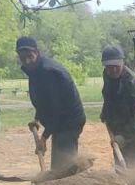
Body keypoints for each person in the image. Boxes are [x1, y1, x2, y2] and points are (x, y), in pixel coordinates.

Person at [16, 35, 86, 172]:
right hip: (59, 122)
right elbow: (43, 102)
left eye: (30, 55)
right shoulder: (35, 70)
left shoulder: (49, 73)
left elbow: (56, 109)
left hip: (69, 121)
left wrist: (43, 138)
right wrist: (36, 119)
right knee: (59, 163)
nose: (27, 60)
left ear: (37, 52)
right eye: (23, 57)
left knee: (63, 166)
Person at [99, 44, 135, 165]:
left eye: (116, 66)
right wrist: (105, 113)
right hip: (118, 134)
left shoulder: (133, 83)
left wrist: (123, 138)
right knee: (122, 173)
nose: (113, 70)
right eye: (109, 66)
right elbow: (109, 99)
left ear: (122, 62)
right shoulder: (107, 76)